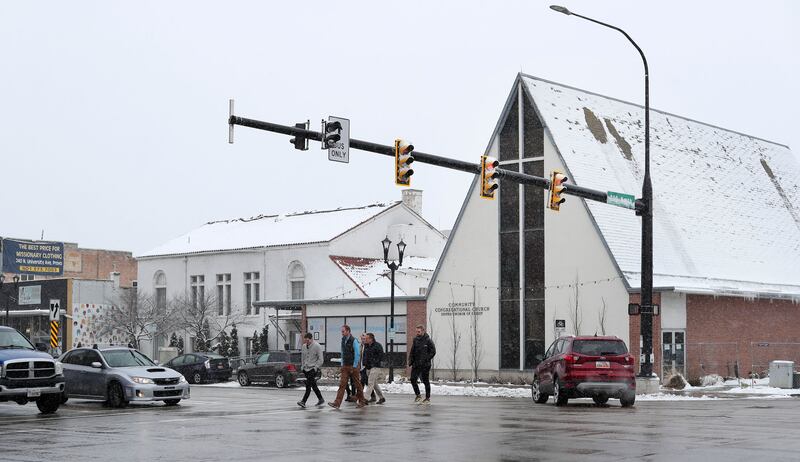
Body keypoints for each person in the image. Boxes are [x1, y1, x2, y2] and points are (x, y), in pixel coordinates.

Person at [328, 325, 366, 409]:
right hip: (345, 366)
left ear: (348, 331)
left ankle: (362, 401)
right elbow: (342, 352)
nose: (342, 333)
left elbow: (357, 354)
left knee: (357, 384)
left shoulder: (354, 340)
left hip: (353, 366)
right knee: (342, 385)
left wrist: (355, 365)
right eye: (341, 331)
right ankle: (337, 403)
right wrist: (342, 364)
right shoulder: (343, 340)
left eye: (343, 331)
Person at [409, 324, 436, 404]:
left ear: (423, 331)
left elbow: (433, 351)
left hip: (425, 365)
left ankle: (427, 398)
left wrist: (426, 359)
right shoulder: (415, 340)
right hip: (416, 364)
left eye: (419, 331)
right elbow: (412, 351)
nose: (417, 333)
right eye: (416, 331)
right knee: (413, 379)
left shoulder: (428, 340)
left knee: (425, 381)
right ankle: (418, 396)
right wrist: (410, 360)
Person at [297, 333, 325, 408]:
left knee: (308, 386)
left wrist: (315, 367)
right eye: (305, 340)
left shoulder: (317, 346)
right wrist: (302, 366)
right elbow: (303, 357)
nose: (307, 342)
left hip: (313, 369)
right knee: (313, 385)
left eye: (308, 340)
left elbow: (321, 359)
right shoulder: (303, 346)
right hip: (306, 369)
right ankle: (321, 399)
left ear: (311, 339)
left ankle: (303, 401)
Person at [362, 332, 386, 404]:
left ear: (371, 339)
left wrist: (374, 362)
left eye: (366, 338)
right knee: (374, 384)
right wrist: (364, 364)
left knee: (370, 382)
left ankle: (365, 399)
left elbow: (381, 356)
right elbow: (365, 356)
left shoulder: (377, 346)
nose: (365, 340)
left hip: (375, 367)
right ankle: (382, 398)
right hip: (368, 367)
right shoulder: (366, 346)